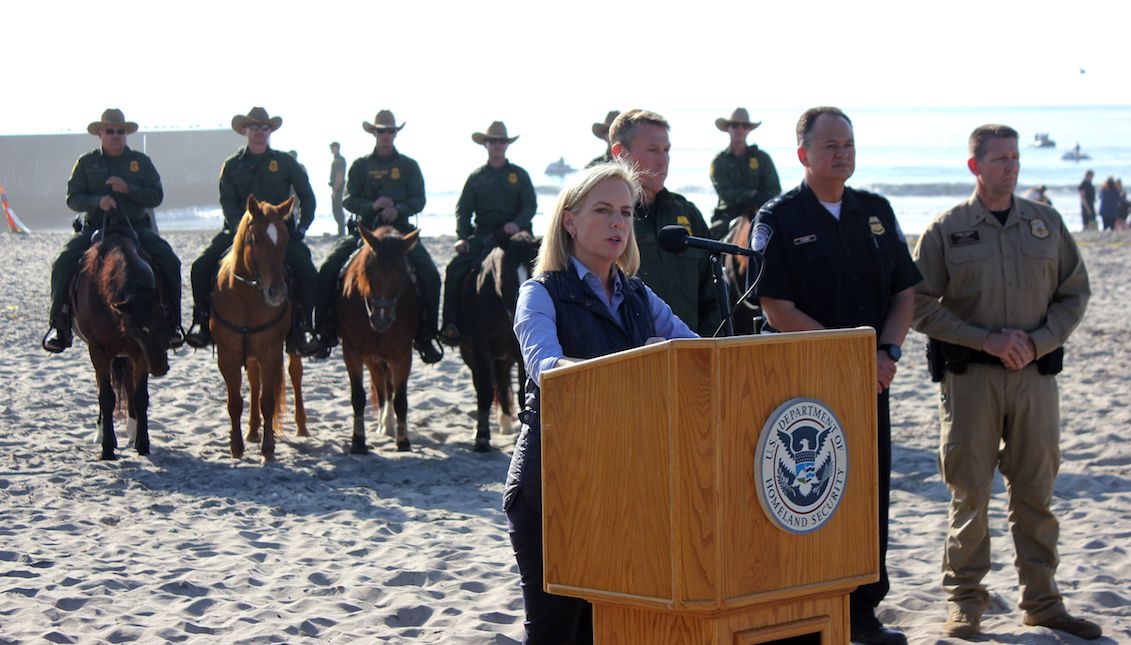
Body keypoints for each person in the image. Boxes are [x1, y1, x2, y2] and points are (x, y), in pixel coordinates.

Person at [911, 124, 1099, 640]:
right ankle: (966, 602)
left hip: (1035, 379)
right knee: (970, 492)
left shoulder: (1045, 224)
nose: (1011, 167)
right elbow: (919, 306)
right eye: (999, 159)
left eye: (1015, 158)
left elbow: (1073, 294)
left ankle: (1042, 601)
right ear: (975, 166)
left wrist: (1038, 342)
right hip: (972, 380)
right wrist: (984, 339)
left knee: (1036, 491)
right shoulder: (947, 230)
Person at [505, 162, 697, 643]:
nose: (618, 224)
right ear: (570, 220)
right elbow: (547, 371)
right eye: (604, 210)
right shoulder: (539, 294)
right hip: (553, 484)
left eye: (627, 213)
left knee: (611, 629)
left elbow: (698, 355)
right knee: (555, 631)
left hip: (627, 483)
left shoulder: (639, 295)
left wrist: (681, 355)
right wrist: (639, 363)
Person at [751, 106, 919, 645]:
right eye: (829, 145)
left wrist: (887, 350)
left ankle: (863, 613)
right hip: (804, 384)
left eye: (848, 143)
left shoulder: (875, 210)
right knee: (806, 493)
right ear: (803, 154)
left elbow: (904, 292)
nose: (842, 152)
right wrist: (847, 358)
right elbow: (776, 308)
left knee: (868, 493)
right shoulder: (778, 218)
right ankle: (810, 608)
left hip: (872, 381)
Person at [184, 107, 323, 357]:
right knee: (200, 266)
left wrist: (302, 226)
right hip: (238, 233)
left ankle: (304, 327)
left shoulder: (285, 162)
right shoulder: (232, 165)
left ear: (270, 131)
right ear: (245, 130)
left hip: (277, 235)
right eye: (255, 127)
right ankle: (203, 323)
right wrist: (241, 229)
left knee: (308, 272)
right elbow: (227, 202)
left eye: (265, 127)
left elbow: (307, 197)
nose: (260, 132)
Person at [44, 108, 184, 353]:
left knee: (170, 261)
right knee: (63, 261)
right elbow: (73, 198)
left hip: (136, 229)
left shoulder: (141, 163)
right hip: (97, 229)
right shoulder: (86, 163)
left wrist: (128, 189)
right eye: (110, 131)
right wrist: (98, 201)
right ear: (100, 133)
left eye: (121, 131)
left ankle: (172, 323)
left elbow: (156, 196)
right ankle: (60, 323)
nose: (116, 136)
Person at [313, 110, 443, 364]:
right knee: (329, 268)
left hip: (401, 234)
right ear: (373, 132)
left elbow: (419, 199)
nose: (385, 135)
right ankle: (326, 332)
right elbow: (348, 199)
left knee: (430, 274)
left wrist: (399, 209)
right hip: (367, 232)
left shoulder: (408, 165)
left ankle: (426, 336)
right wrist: (372, 205)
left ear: (395, 133)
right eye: (381, 130)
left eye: (390, 131)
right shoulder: (360, 165)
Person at [610, 109, 721, 337]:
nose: (663, 160)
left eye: (666, 150)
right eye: (652, 150)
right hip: (633, 361)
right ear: (621, 153)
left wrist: (706, 348)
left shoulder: (688, 214)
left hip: (693, 356)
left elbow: (715, 294)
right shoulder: (606, 221)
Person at [440, 121, 536, 345]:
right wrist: (462, 237)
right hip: (484, 237)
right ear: (486, 144)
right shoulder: (476, 178)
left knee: (546, 271)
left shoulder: (520, 175)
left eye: (501, 141)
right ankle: (451, 324)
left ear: (507, 144)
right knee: (455, 268)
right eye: (493, 141)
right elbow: (463, 211)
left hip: (516, 238)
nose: (497, 145)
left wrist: (517, 223)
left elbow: (530, 206)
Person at [708, 107, 781, 239]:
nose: (740, 129)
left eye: (745, 125)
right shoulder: (719, 162)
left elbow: (775, 189)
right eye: (735, 125)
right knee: (711, 243)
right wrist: (752, 194)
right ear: (728, 128)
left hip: (760, 212)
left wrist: (761, 201)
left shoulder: (762, 158)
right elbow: (725, 193)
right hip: (729, 214)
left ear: (749, 129)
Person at [329, 141, 347, 236]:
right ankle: (341, 231)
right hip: (337, 187)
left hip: (338, 188)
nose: (331, 149)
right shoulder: (336, 159)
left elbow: (339, 176)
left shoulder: (339, 160)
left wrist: (335, 190)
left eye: (332, 147)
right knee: (336, 209)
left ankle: (341, 231)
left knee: (337, 209)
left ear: (336, 148)